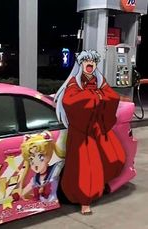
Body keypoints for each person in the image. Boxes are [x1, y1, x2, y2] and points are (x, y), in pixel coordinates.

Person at [54, 50, 126, 215]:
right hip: (81, 131)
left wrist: (97, 97)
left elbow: (112, 97)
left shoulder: (99, 80)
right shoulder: (74, 82)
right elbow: (70, 101)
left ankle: (100, 184)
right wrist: (95, 98)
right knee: (86, 166)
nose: (90, 64)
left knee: (115, 157)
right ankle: (84, 201)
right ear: (81, 64)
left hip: (98, 127)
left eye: (93, 61)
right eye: (86, 61)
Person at [20, 131, 65, 201]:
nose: (36, 163)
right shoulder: (35, 179)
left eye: (40, 157)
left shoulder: (55, 169)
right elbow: (23, 194)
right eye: (31, 159)